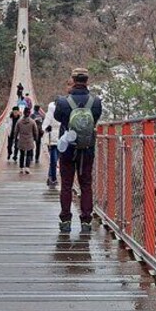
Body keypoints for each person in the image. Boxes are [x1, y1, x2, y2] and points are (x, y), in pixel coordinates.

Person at [54, 67, 102, 232]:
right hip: (87, 149)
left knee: (66, 185)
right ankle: (86, 221)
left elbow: (58, 118)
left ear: (73, 80)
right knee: (86, 184)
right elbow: (95, 118)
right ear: (87, 81)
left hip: (67, 149)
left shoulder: (62, 102)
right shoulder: (96, 102)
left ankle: (65, 220)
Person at [13, 107, 39, 174]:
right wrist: (36, 138)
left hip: (21, 139)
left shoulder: (19, 121)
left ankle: (21, 168)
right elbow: (35, 131)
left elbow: (16, 131)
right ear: (29, 113)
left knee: (21, 154)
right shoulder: (32, 122)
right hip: (29, 140)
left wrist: (15, 138)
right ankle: (27, 168)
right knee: (29, 154)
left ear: (23, 113)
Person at [42, 101, 61, 187]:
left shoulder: (51, 113)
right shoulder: (51, 113)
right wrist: (47, 128)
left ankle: (50, 176)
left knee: (55, 160)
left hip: (58, 139)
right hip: (54, 140)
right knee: (54, 160)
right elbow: (44, 126)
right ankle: (53, 178)